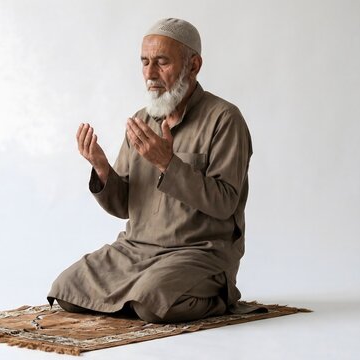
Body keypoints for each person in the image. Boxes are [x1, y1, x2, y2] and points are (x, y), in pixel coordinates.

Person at [47, 18, 259, 323]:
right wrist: (102, 168)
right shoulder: (142, 120)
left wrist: (167, 164)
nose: (150, 73)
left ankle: (217, 298)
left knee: (151, 304)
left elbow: (225, 203)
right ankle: (138, 293)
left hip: (198, 253)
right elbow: (122, 207)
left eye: (161, 62)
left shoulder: (224, 119)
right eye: (145, 62)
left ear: (193, 65)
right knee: (67, 290)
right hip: (135, 250)